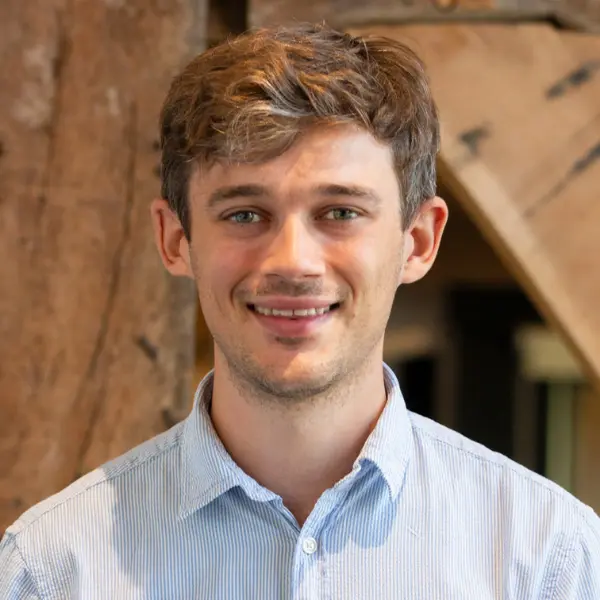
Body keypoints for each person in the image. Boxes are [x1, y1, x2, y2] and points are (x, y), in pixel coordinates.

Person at [1, 22, 599, 599]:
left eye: (340, 212)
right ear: (176, 239)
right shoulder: (52, 572)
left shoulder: (549, 561)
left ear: (417, 240)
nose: (293, 261)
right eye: (244, 214)